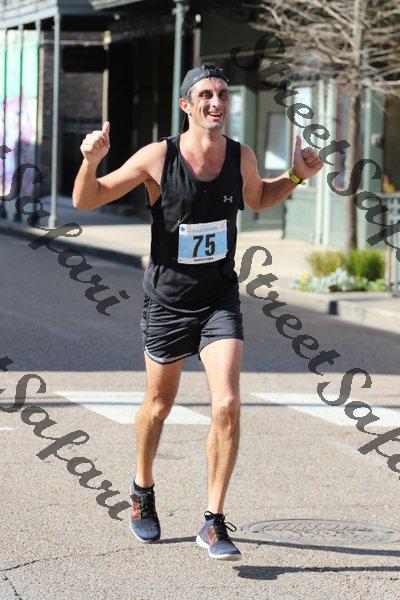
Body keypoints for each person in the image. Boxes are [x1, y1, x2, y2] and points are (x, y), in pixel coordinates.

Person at [72, 64, 324, 561]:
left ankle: (212, 520)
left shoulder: (240, 156)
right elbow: (87, 198)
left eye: (222, 94)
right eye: (205, 94)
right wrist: (90, 161)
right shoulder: (158, 157)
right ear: (186, 105)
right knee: (158, 405)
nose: (216, 102)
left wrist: (296, 176)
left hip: (218, 300)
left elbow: (258, 198)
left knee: (227, 403)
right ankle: (142, 489)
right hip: (167, 302)